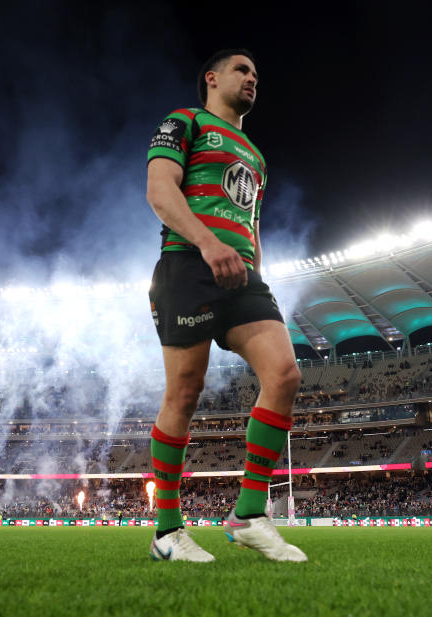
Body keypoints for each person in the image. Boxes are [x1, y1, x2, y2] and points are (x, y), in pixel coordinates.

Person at [145, 49, 305, 562]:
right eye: (243, 70)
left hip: (241, 276)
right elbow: (160, 190)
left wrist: (252, 264)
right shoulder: (183, 121)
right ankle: (167, 531)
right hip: (188, 263)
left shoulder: (256, 158)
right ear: (212, 79)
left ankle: (249, 513)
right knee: (185, 393)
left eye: (257, 73)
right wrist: (209, 244)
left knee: (284, 375)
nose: (253, 78)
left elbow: (252, 225)